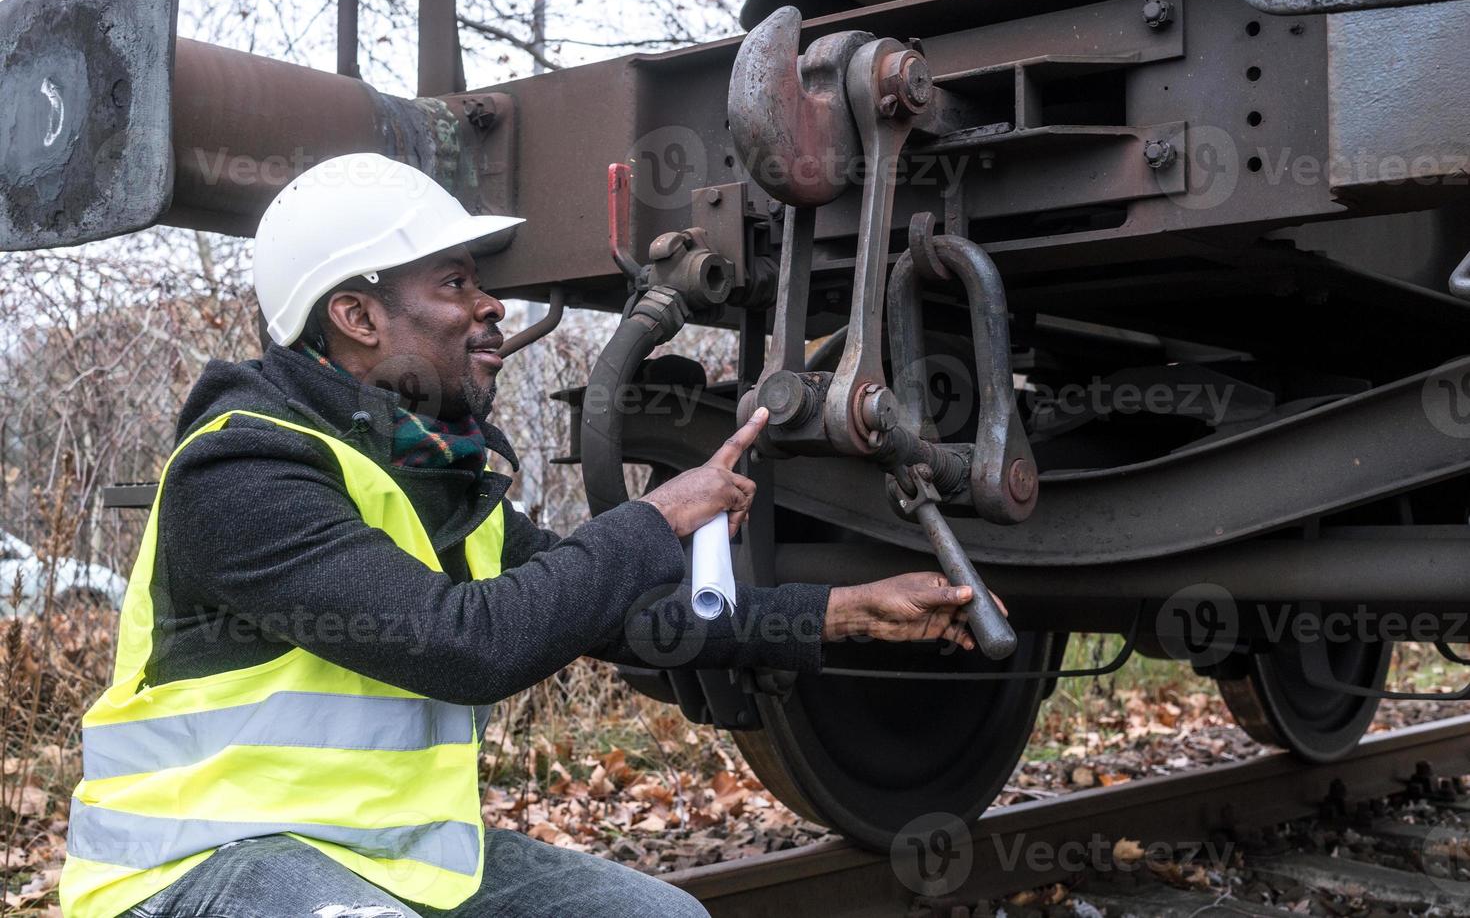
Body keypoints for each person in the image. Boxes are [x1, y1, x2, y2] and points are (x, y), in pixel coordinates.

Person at [60, 153, 988, 918]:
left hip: (383, 864)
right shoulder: (244, 472)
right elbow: (466, 645)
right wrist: (655, 519)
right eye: (456, 281)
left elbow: (621, 614)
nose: (492, 304)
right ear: (355, 315)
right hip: (196, 869)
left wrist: (840, 614)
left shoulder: (428, 476)